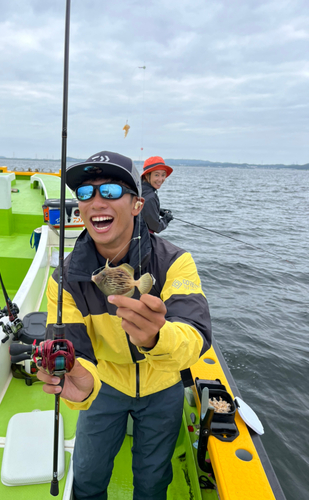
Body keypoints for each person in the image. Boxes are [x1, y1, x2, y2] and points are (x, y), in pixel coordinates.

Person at [38, 150, 212, 500]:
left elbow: (197, 333)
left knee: (152, 481)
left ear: (137, 204)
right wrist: (82, 380)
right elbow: (77, 347)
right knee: (87, 476)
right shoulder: (65, 278)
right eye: (85, 193)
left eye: (112, 191)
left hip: (163, 387)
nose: (96, 201)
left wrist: (157, 338)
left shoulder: (175, 262)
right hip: (106, 383)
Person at [140, 156, 173, 234]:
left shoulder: (139, 188)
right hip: (142, 241)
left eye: (163, 175)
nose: (160, 179)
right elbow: (156, 227)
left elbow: (143, 210)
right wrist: (166, 219)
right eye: (156, 175)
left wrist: (158, 210)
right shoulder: (150, 197)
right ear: (147, 175)